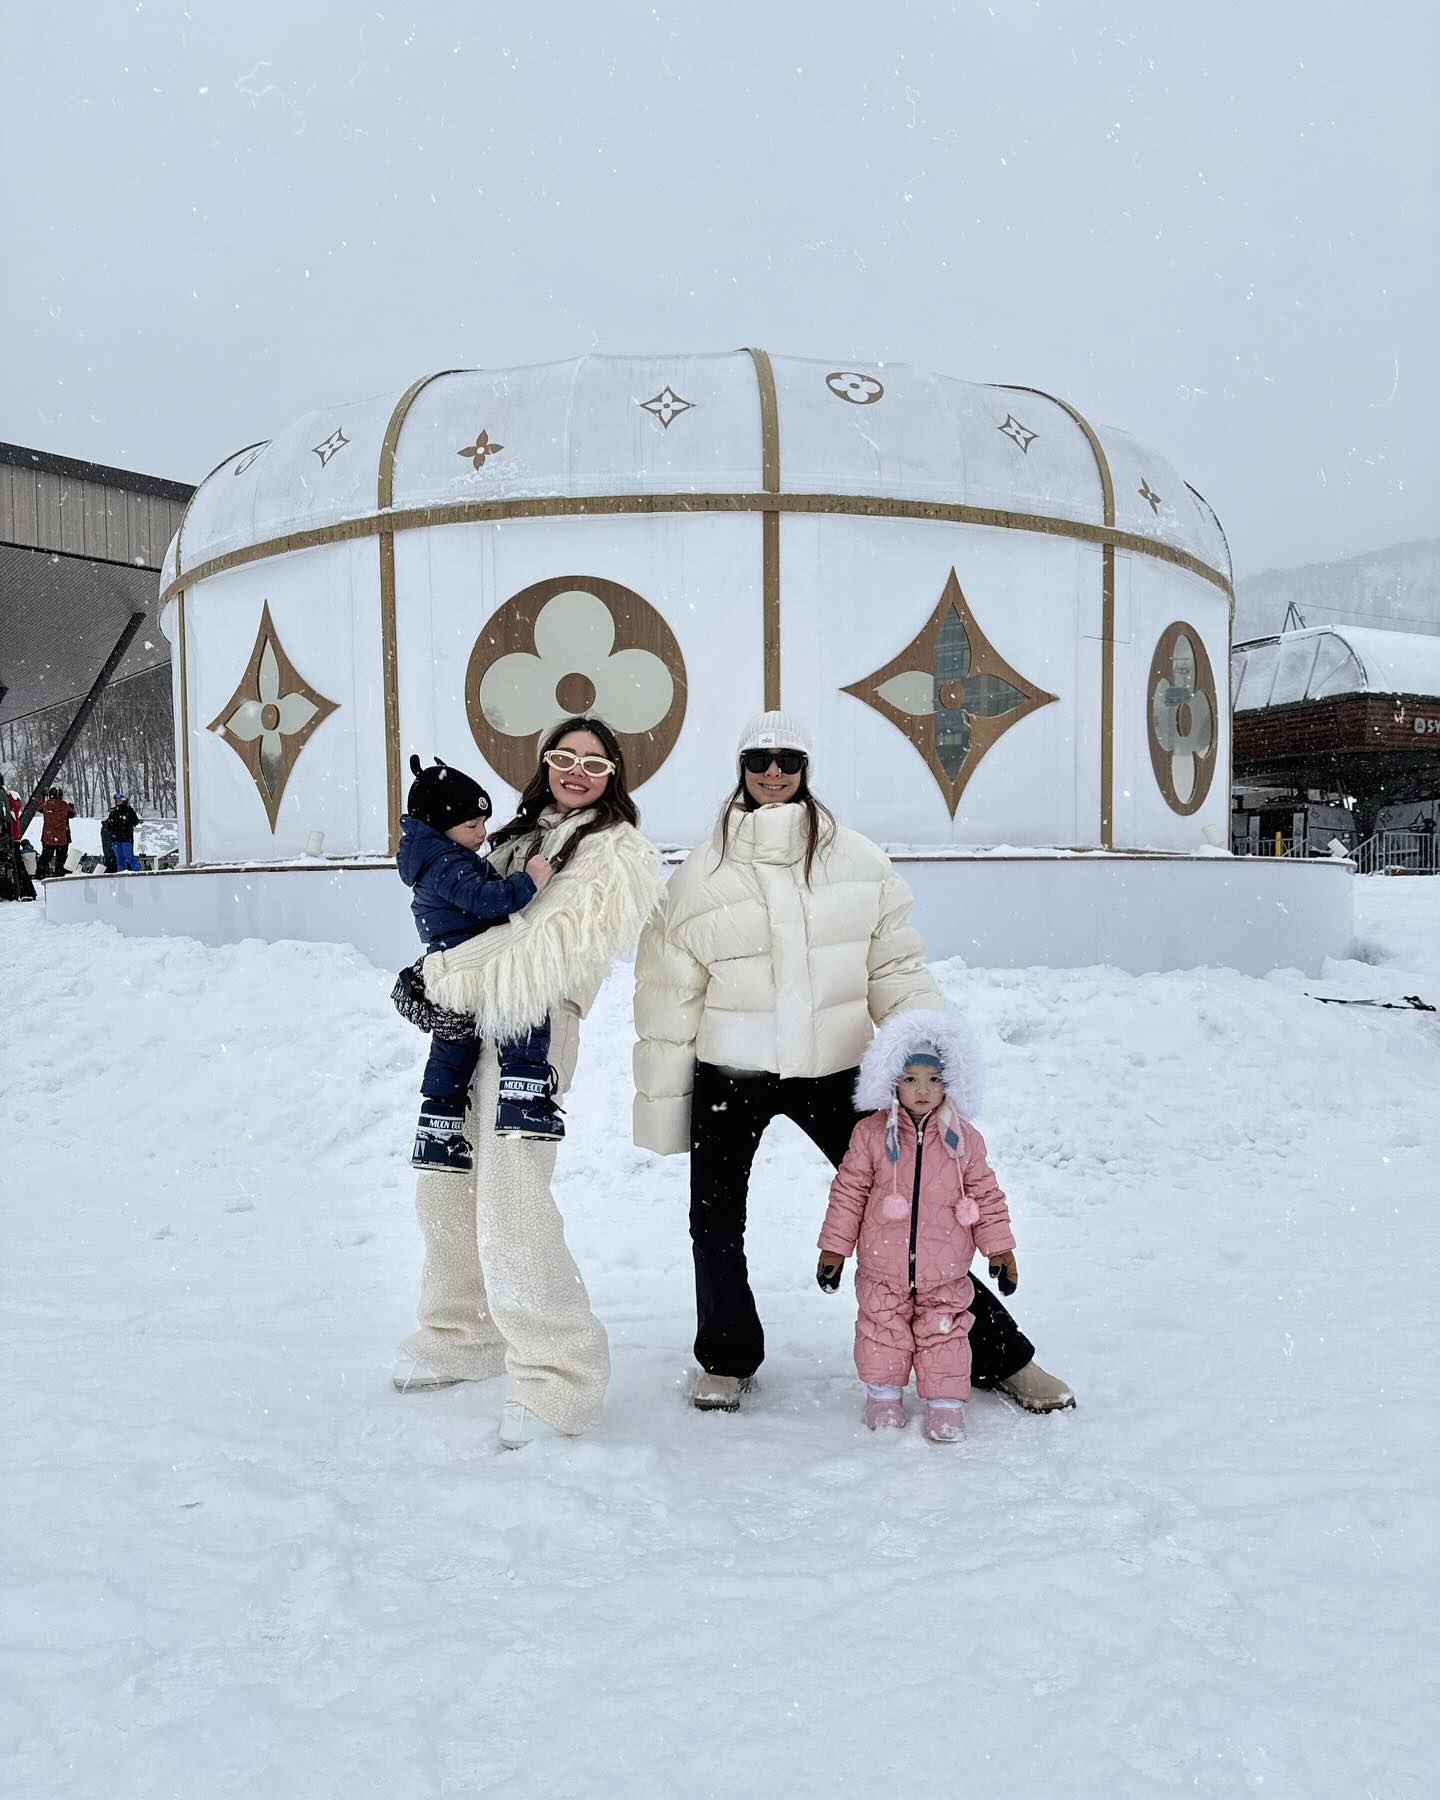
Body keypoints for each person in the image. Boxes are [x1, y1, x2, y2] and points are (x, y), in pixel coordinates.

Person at [633, 709, 1074, 1415]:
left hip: (836, 1070)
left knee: (917, 1205)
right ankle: (726, 1356)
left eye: (788, 760)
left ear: (807, 770)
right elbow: (668, 1004)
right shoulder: (697, 876)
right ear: (740, 768)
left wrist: (933, 1057)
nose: (773, 773)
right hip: (730, 1074)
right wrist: (662, 1105)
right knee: (713, 1223)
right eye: (759, 759)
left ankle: (1000, 1356)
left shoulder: (858, 861)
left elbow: (895, 968)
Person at [393, 716, 663, 1449]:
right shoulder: (513, 837)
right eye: (563, 757)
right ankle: (463, 1330)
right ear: (543, 765)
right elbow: (462, 922)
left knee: (513, 1197)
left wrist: (437, 975)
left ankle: (560, 1377)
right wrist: (429, 979)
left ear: (615, 776)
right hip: (471, 1024)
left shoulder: (613, 851)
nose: (577, 771)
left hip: (533, 1031)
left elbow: (543, 941)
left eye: (595, 764)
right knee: (445, 1182)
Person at [817, 1009, 1016, 1444]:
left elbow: (985, 1196)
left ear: (951, 1083)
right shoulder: (870, 1135)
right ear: (891, 1081)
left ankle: (945, 1404)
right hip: (881, 1264)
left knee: (945, 1332)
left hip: (945, 1267)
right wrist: (834, 1248)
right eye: (910, 1079)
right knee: (880, 1328)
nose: (922, 1090)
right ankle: (884, 1396)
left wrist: (1000, 1249)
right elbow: (849, 1191)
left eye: (933, 1079)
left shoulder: (965, 1139)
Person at [396, 753, 562, 1168]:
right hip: (475, 960)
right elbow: (488, 902)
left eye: (484, 823)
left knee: (455, 1047)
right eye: (472, 825)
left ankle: (437, 1133)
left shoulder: (435, 860)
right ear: (439, 826)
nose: (482, 834)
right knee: (523, 999)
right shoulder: (448, 862)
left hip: (452, 969)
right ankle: (523, 1098)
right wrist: (530, 879)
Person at [37, 787, 75, 878]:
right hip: (62, 838)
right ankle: (59, 875)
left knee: (45, 857)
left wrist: (43, 796)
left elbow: (39, 807)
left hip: (48, 837)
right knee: (60, 859)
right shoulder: (65, 805)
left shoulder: (46, 805)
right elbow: (72, 814)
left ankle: (40, 874)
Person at [104, 792, 141, 872]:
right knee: (119, 859)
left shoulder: (129, 811)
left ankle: (138, 873)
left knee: (129, 857)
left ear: (123, 801)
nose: (117, 802)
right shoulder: (114, 812)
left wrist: (125, 819)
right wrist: (108, 824)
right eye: (116, 800)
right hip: (116, 839)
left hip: (126, 838)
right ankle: (121, 875)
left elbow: (135, 821)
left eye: (119, 800)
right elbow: (109, 824)